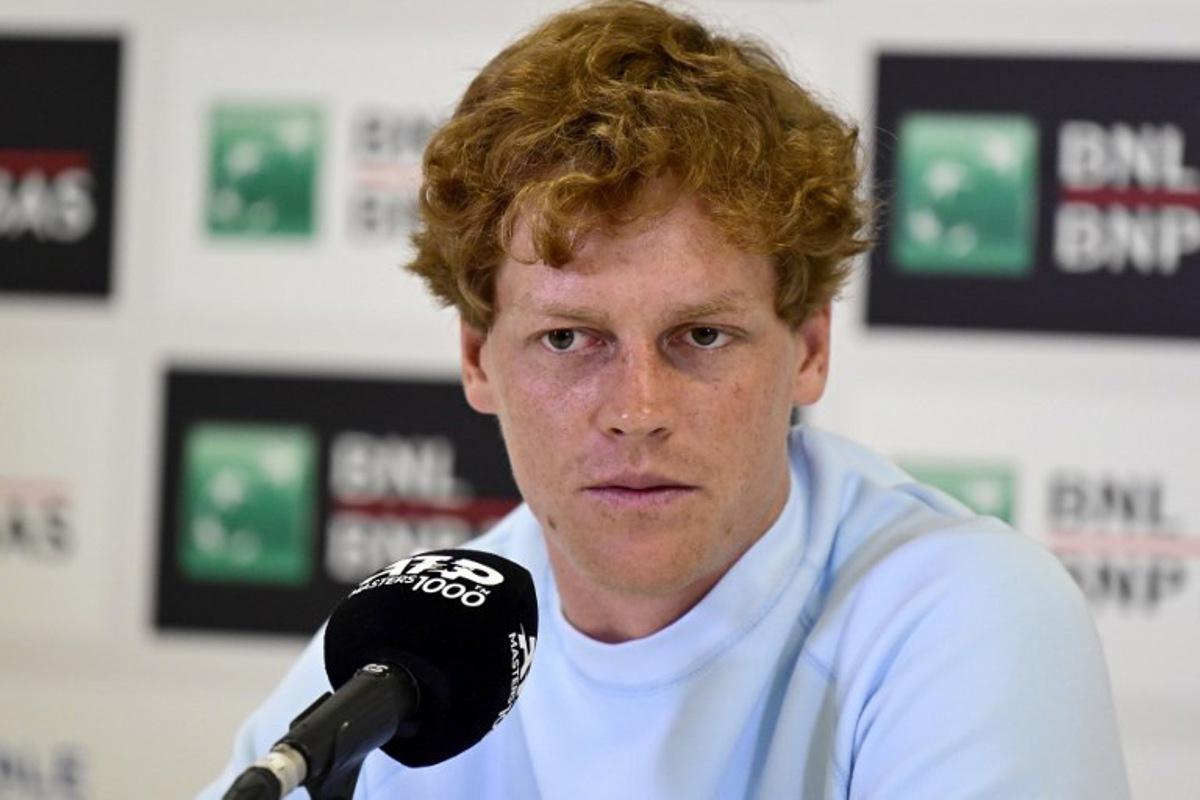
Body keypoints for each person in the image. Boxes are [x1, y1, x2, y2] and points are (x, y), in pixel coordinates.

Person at [201, 2, 1130, 797]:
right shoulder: (424, 647)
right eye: (570, 339)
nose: (636, 407)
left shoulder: (959, 616)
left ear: (808, 349)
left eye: (702, 336)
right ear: (478, 360)